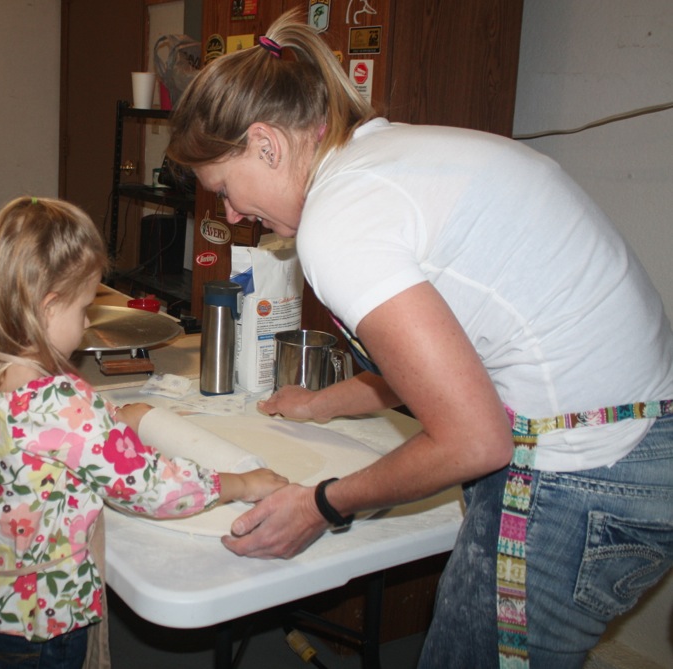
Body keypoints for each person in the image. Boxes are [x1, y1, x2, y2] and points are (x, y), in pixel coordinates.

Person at [165, 10, 673, 669]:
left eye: (225, 189)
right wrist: (329, 402)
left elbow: (474, 438)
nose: (231, 214)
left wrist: (323, 504)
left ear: (266, 144)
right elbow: (453, 348)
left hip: (582, 474)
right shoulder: (388, 154)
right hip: (644, 442)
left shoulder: (338, 220)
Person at [0, 196, 287, 668]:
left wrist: (114, 420)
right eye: (84, 307)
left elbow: (39, 439)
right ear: (48, 307)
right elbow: (154, 489)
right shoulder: (67, 405)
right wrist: (238, 483)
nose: (88, 320)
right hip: (43, 626)